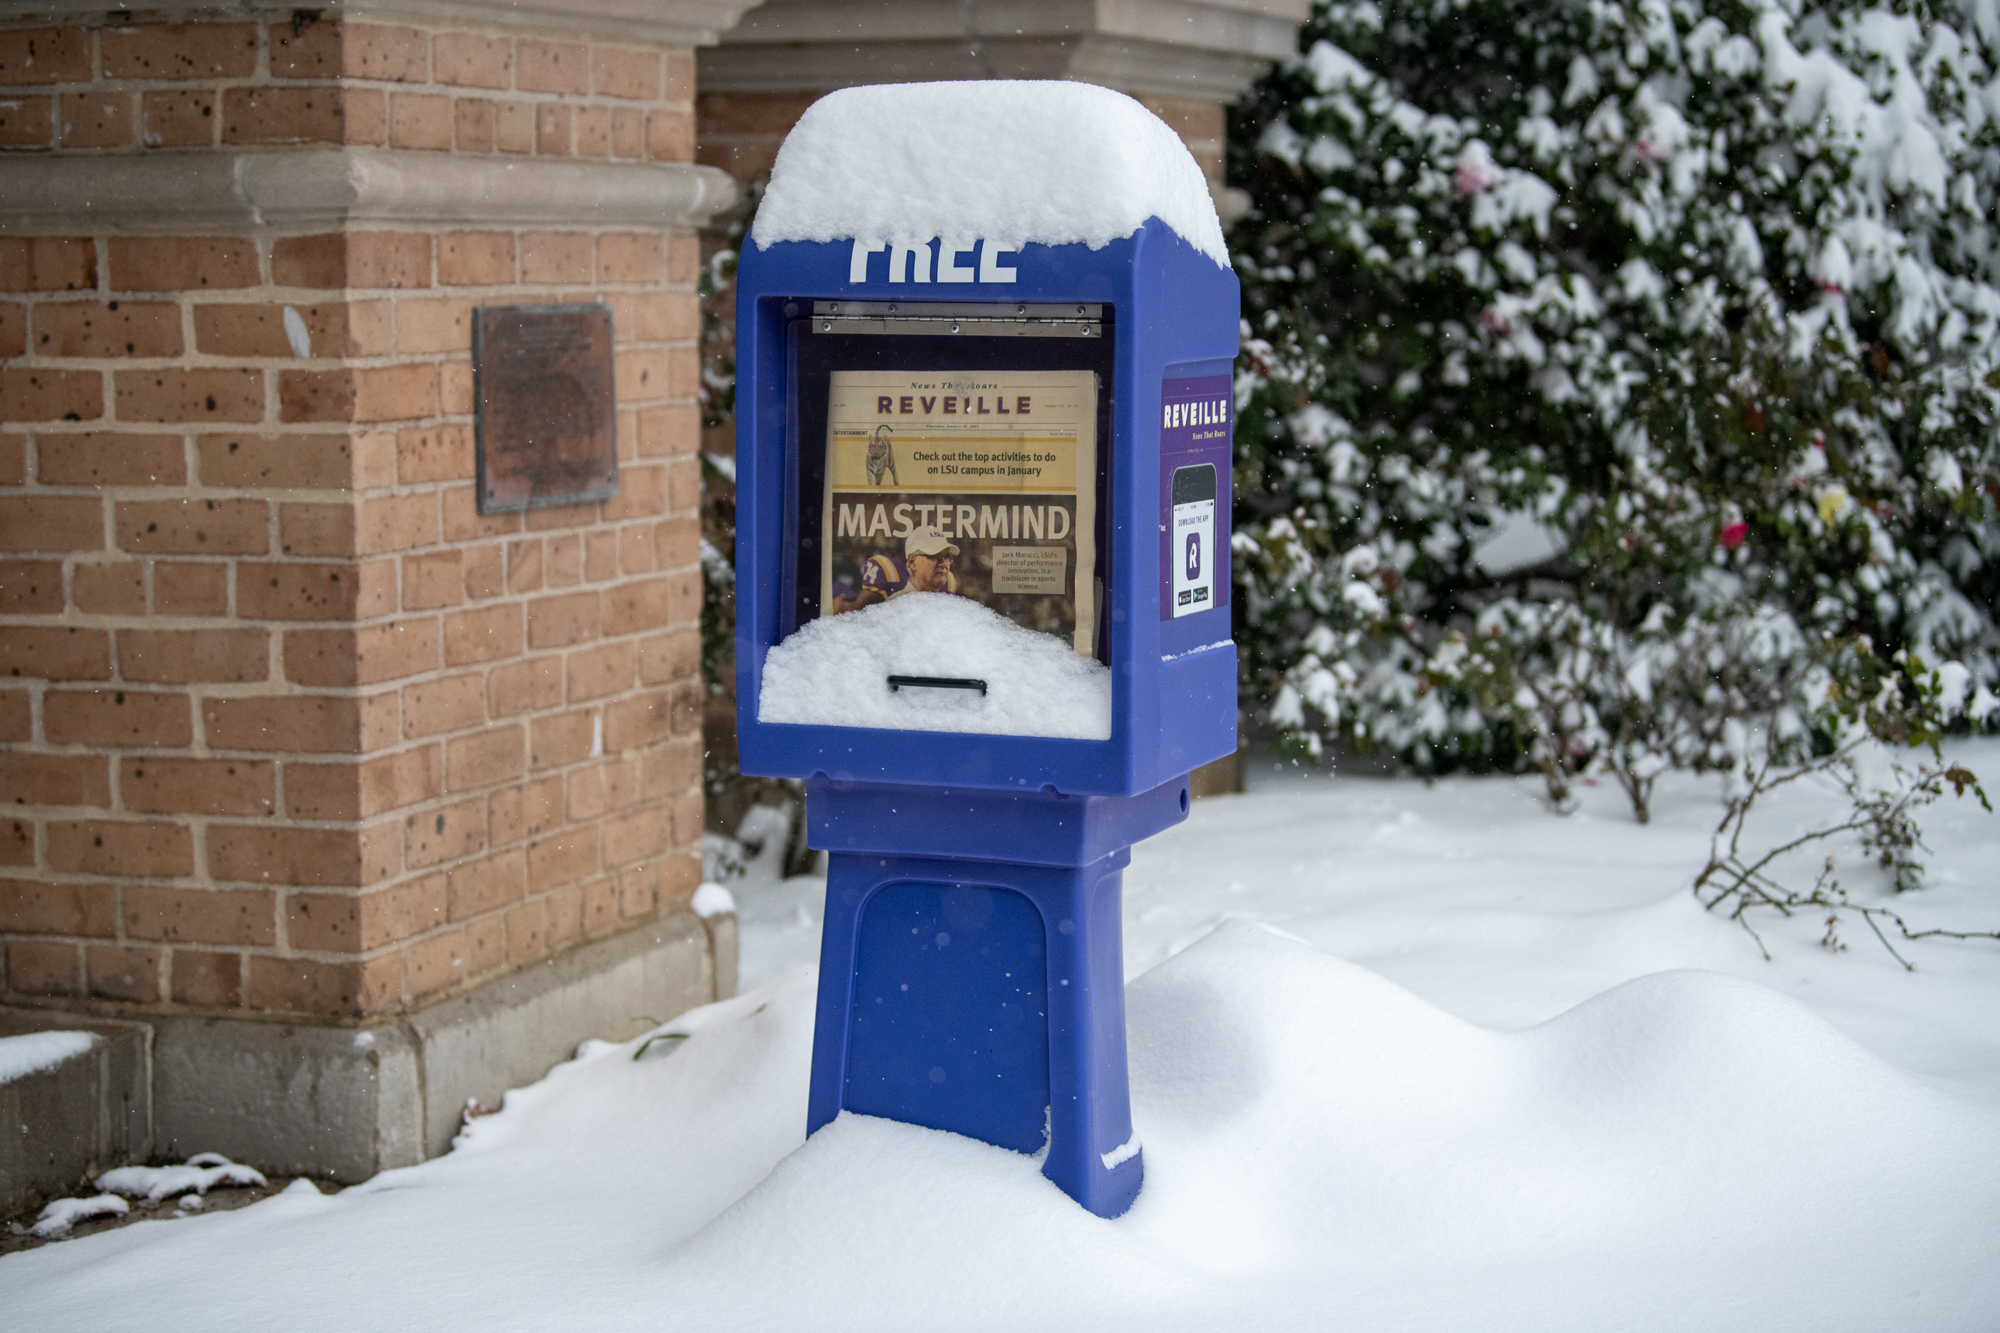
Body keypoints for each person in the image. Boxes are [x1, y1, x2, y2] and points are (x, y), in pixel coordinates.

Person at [893, 527, 959, 597]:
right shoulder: (895, 605)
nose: (944, 563)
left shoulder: (946, 603)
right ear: (912, 562)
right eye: (934, 556)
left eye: (947, 557)